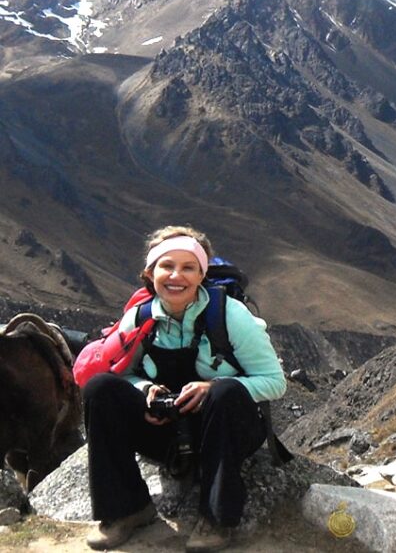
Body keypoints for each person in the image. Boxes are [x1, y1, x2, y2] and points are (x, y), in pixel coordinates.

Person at [83, 225, 286, 552]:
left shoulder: (230, 316)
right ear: (150, 273)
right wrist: (145, 389)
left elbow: (275, 381)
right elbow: (124, 375)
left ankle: (216, 517)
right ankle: (127, 509)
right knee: (100, 389)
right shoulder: (138, 318)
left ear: (202, 273)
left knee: (225, 393)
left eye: (188, 267)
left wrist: (212, 387)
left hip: (223, 430)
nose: (176, 275)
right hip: (165, 430)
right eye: (166, 266)